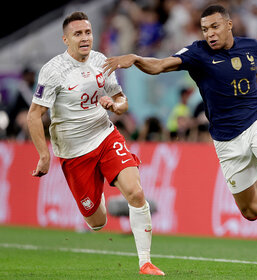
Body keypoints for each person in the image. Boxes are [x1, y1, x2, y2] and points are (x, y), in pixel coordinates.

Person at [103, 5, 257, 267]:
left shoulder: (252, 48)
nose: (209, 33)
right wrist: (137, 59)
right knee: (251, 212)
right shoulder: (197, 53)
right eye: (205, 29)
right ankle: (256, 167)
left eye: (215, 27)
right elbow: (161, 65)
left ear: (229, 25)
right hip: (226, 141)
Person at [26, 12, 164, 276]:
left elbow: (122, 101)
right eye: (78, 34)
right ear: (65, 39)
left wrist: (115, 105)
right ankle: (100, 194)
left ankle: (145, 262)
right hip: (74, 152)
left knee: (135, 193)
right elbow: (34, 114)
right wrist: (43, 155)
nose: (85, 37)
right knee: (97, 222)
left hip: (105, 135)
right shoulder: (53, 71)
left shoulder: (102, 61)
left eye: (88, 32)